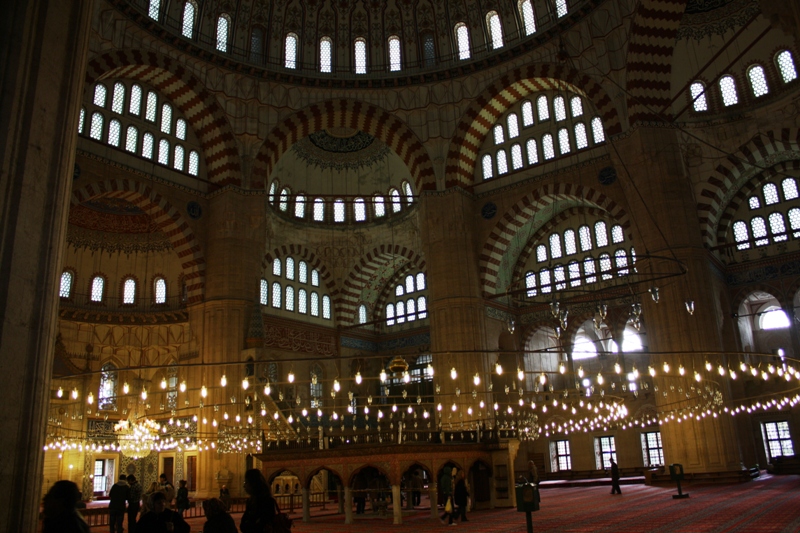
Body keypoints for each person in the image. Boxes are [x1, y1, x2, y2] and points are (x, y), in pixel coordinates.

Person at [239, 468, 277, 533]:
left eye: (246, 482)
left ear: (253, 484)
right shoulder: (251, 501)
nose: (244, 486)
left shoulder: (267, 502)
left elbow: (262, 525)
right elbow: (243, 525)